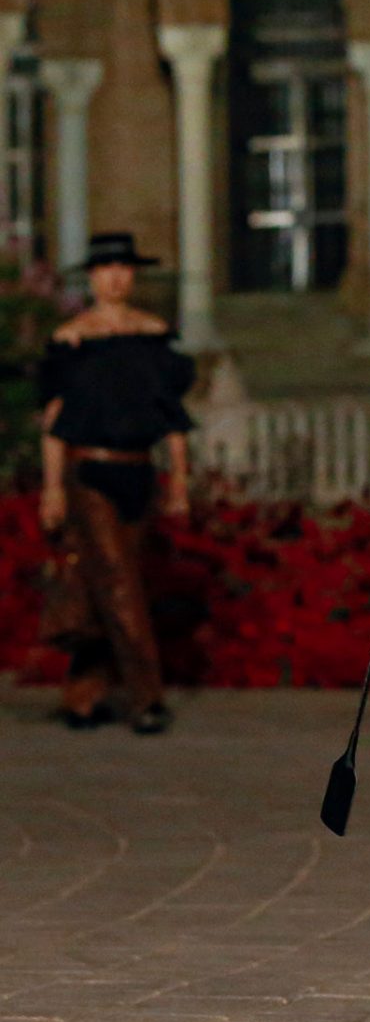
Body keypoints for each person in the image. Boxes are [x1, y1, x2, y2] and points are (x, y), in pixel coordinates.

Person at [37, 231, 195, 735]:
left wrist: (179, 481)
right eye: (106, 268)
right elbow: (54, 421)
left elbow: (172, 417)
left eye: (124, 268)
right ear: (91, 277)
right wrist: (52, 488)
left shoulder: (153, 336)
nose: (115, 277)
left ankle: (84, 693)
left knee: (106, 583)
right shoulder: (71, 340)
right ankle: (146, 696)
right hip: (88, 472)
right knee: (118, 581)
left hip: (138, 470)